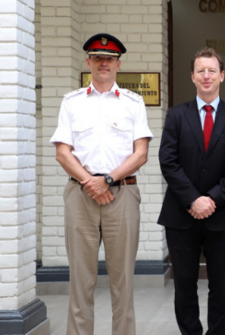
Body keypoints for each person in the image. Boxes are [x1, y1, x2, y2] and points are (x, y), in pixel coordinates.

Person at [50, 33, 152, 335]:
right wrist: (90, 182)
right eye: (97, 58)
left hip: (122, 195)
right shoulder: (72, 102)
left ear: (118, 64)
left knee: (123, 281)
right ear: (88, 62)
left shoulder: (133, 103)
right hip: (80, 195)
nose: (103, 63)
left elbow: (141, 153)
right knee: (81, 280)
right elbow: (62, 152)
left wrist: (107, 180)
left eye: (109, 58)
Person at [158, 47, 225, 335]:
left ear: (222, 76)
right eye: (201, 71)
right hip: (180, 215)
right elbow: (168, 161)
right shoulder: (176, 115)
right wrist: (193, 199)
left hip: (221, 216)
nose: (206, 76)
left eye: (212, 70)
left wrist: (211, 199)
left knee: (220, 285)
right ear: (193, 77)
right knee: (184, 284)